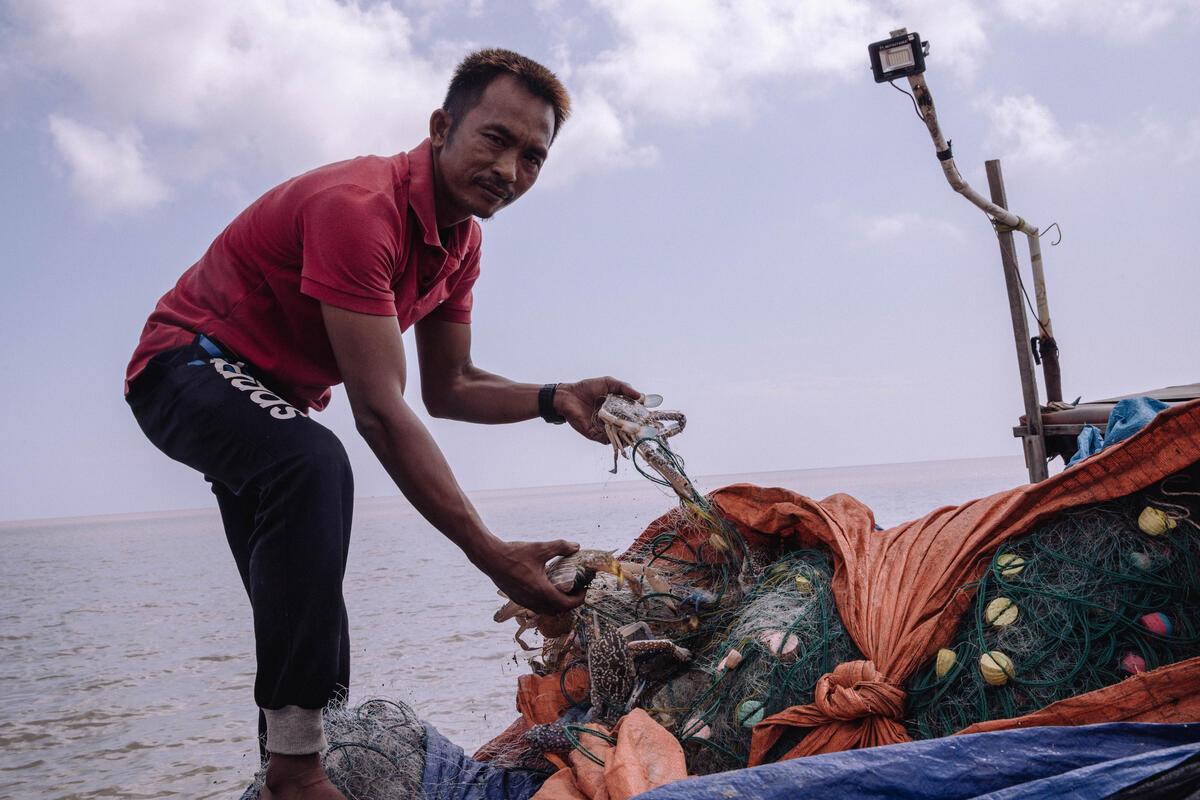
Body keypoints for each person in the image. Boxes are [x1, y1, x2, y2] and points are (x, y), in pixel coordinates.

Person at [124, 48, 637, 800]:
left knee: (300, 592)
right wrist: (492, 554)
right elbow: (380, 411)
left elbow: (449, 386)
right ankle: (297, 775)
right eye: (495, 139)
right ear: (441, 126)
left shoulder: (461, 244)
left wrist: (554, 397)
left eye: (533, 156)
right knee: (314, 467)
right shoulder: (359, 209)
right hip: (184, 365)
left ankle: (288, 767)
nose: (510, 169)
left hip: (270, 403)